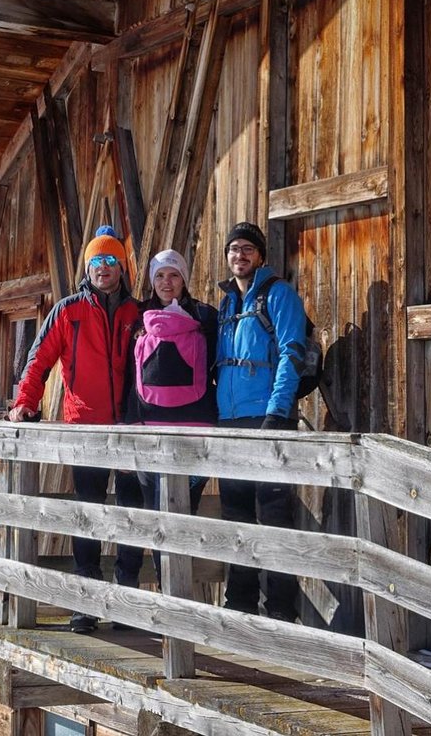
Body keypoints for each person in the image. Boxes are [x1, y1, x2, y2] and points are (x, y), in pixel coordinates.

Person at [7, 225, 144, 632]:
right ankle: (86, 601)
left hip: (131, 429)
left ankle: (128, 598)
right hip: (85, 428)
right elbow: (39, 359)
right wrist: (24, 404)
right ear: (88, 268)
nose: (104, 267)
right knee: (88, 514)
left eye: (110, 259)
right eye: (97, 260)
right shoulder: (68, 311)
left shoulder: (137, 313)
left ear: (121, 266)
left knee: (131, 515)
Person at [214, 220, 309, 622]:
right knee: (236, 515)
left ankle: (282, 610)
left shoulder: (279, 295)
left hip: (267, 419)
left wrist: (276, 411)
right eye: (234, 249)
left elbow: (292, 352)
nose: (240, 255)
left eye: (247, 249)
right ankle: (239, 604)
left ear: (261, 256)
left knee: (273, 516)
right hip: (229, 421)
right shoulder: (226, 305)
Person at [124, 248, 217, 584]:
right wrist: (130, 425)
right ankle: (167, 588)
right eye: (160, 275)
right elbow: (128, 378)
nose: (167, 282)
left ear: (184, 280)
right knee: (155, 514)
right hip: (149, 431)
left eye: (174, 275)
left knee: (185, 514)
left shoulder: (207, 318)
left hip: (194, 432)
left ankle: (176, 592)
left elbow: (217, 368)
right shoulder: (138, 319)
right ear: (152, 281)